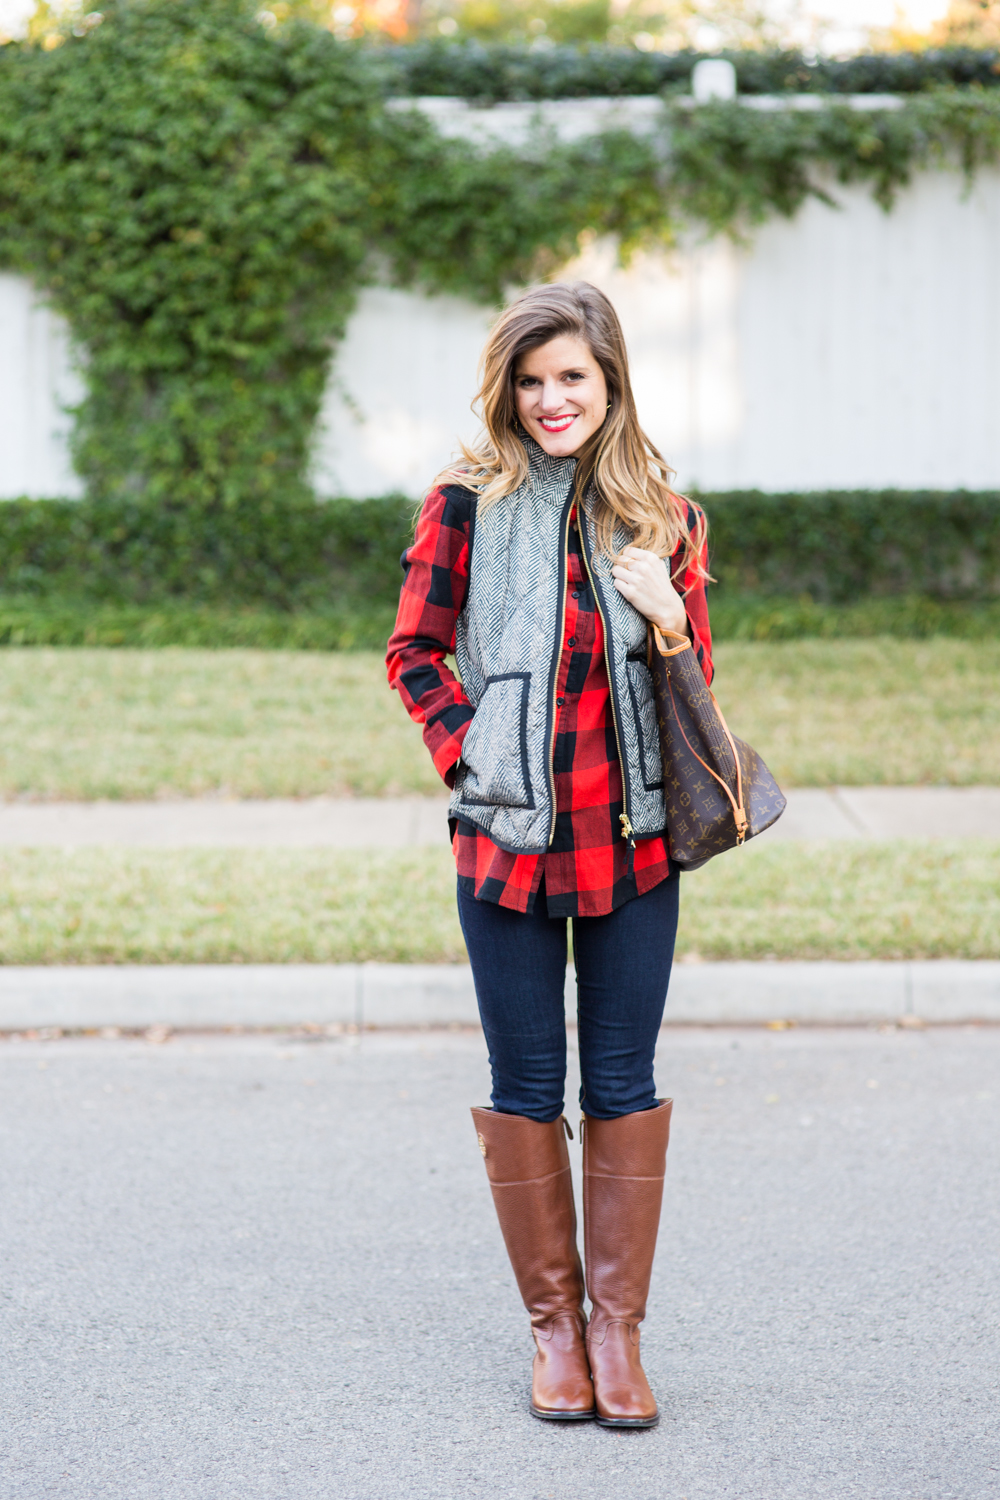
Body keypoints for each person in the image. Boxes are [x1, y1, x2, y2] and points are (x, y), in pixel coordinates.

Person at [386, 282, 713, 1428]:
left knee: (621, 1085)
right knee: (524, 1090)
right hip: (507, 844)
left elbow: (695, 692)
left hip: (632, 848)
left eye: (571, 376)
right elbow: (413, 653)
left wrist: (667, 608)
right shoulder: (464, 504)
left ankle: (617, 1334)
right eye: (530, 381)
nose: (549, 399)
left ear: (611, 380)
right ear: (506, 390)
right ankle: (554, 1333)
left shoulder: (663, 512)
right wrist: (471, 759)